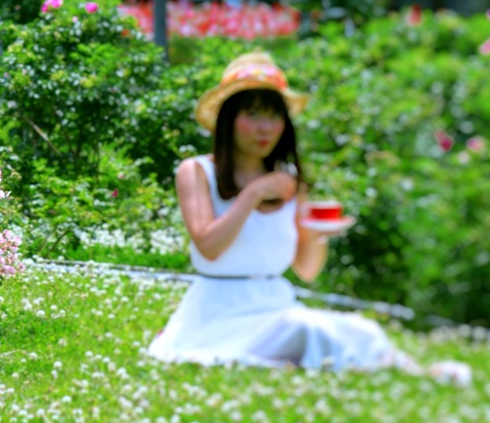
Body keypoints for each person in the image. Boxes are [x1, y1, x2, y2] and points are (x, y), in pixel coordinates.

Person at [147, 52, 470, 383]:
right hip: (218, 313)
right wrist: (254, 194)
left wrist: (317, 234)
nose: (265, 127)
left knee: (361, 327)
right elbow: (209, 247)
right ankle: (405, 375)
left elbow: (307, 269)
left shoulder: (289, 182)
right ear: (228, 118)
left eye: (274, 116)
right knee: (307, 330)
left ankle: (412, 371)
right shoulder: (197, 172)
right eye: (252, 114)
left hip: (275, 305)